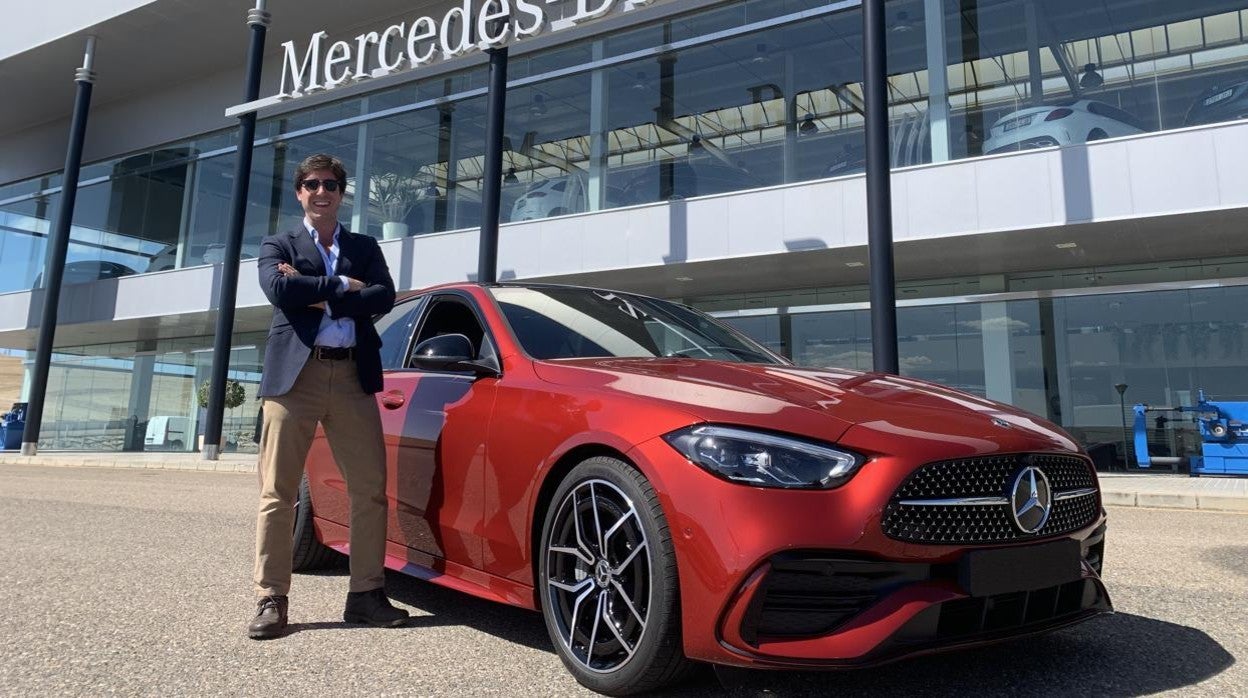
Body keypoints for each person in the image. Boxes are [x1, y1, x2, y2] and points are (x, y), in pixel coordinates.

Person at [248, 153, 406, 640]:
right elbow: (278, 288)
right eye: (313, 184)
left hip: (352, 377)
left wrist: (313, 290)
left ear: (342, 193)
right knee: (278, 493)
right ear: (300, 191)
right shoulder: (279, 242)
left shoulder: (364, 244)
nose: (322, 192)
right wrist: (340, 285)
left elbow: (384, 296)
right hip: (295, 378)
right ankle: (271, 598)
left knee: (370, 492)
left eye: (331, 184)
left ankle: (365, 595)